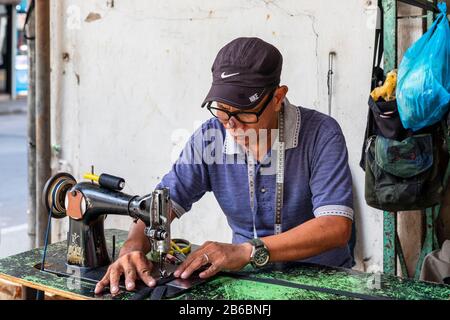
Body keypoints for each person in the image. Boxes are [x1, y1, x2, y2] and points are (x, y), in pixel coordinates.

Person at [95, 37, 354, 295]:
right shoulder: (211, 137)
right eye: (222, 109)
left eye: (243, 112)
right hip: (246, 282)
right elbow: (159, 204)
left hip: (323, 281)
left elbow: (335, 227)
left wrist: (247, 250)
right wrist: (132, 249)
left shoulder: (321, 134)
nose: (231, 124)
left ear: (277, 97)